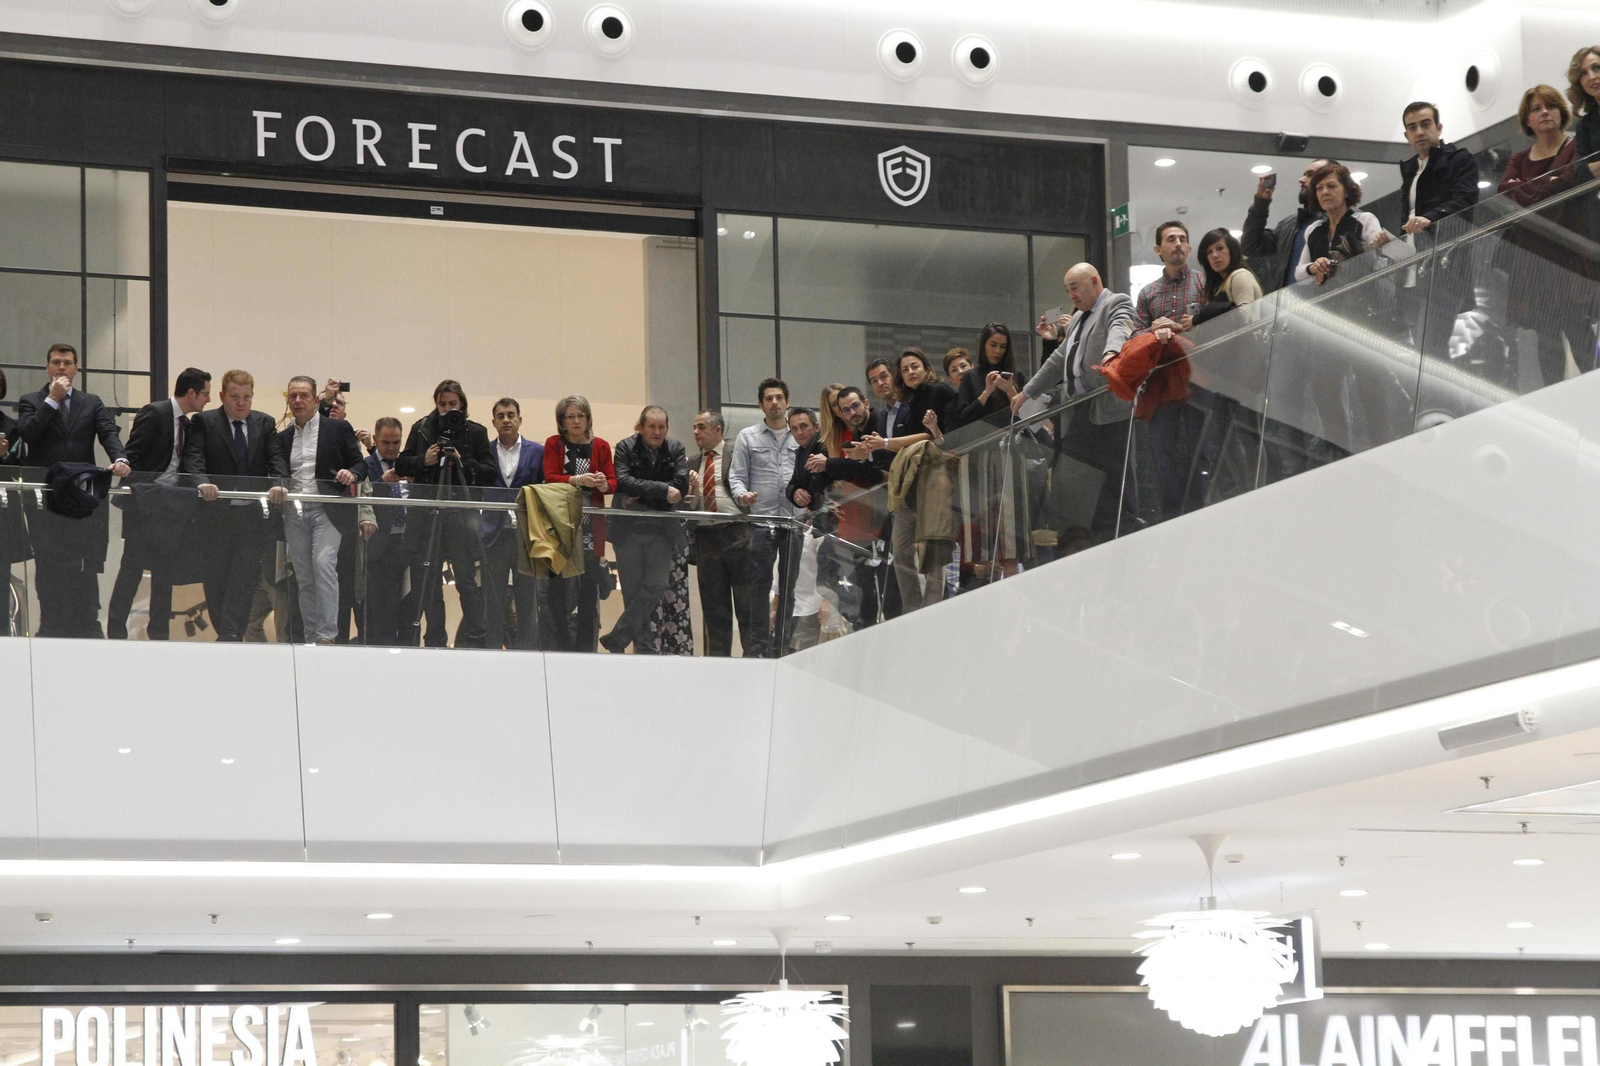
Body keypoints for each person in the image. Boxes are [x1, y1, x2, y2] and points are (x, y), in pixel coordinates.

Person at [14, 343, 132, 638]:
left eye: (67, 363)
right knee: (47, 558)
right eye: (56, 362)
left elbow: (107, 433)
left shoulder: (90, 402)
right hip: (45, 495)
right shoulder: (31, 400)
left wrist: (119, 458)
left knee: (84, 558)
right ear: (47, 368)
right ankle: (51, 621)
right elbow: (28, 433)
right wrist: (52, 401)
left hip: (81, 494)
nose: (62, 367)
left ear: (76, 369)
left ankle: (86, 621)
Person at [1013, 264, 1137, 542]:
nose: (1071, 295)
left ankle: (1119, 532)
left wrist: (1111, 353)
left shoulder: (1115, 302)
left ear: (1094, 282)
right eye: (1067, 290)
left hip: (1106, 408)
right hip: (1076, 413)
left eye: (1075, 287)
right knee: (1074, 478)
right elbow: (1058, 360)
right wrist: (1027, 392)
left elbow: (1121, 328)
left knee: (1114, 476)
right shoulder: (1079, 319)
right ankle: (1081, 537)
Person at [107, 367, 211, 641]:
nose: (207, 401)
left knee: (165, 569)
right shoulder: (156, 412)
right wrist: (138, 493)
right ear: (192, 393)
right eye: (205, 394)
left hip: (171, 506)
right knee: (132, 566)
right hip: (145, 502)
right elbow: (135, 453)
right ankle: (116, 629)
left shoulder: (189, 424)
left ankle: (160, 632)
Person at [186, 369, 289, 641]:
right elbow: (194, 459)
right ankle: (228, 635)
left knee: (243, 582)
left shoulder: (264, 423)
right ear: (222, 396)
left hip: (251, 518)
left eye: (246, 397)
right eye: (235, 397)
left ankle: (230, 636)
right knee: (216, 580)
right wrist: (201, 483)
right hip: (215, 515)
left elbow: (276, 460)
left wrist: (278, 483)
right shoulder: (204, 422)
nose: (241, 403)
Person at [853, 349, 957, 614]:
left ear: (925, 367)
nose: (911, 372)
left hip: (933, 478)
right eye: (907, 369)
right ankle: (913, 607)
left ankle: (932, 607)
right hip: (905, 485)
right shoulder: (903, 405)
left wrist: (886, 443)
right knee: (900, 552)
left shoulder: (936, 393)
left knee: (932, 545)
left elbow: (936, 436)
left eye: (915, 366)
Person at [1499, 84, 1589, 385]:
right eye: (1536, 109)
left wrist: (1532, 189)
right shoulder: (1519, 158)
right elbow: (1506, 190)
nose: (1544, 112)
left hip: (1568, 250)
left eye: (1550, 106)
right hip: (1533, 257)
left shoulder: (1576, 146)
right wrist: (1548, 183)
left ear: (1561, 111)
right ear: (1527, 120)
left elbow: (1568, 181)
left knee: (1577, 327)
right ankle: (1558, 407)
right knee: (1544, 337)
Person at [395, 379, 494, 648]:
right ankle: (435, 637)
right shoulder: (422, 428)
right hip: (428, 514)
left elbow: (489, 472)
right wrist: (423, 461)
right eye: (442, 404)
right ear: (436, 404)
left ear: (462, 404)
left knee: (466, 580)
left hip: (461, 515)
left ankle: (476, 637)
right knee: (428, 582)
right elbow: (402, 462)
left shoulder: (475, 432)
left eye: (453, 404)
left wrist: (464, 461)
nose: (447, 409)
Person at [277, 375, 366, 646]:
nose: (298, 400)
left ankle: (326, 634)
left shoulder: (338, 428)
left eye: (304, 395)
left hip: (328, 510)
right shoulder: (283, 437)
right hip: (295, 511)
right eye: (293, 396)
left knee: (323, 565)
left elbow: (360, 465)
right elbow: (278, 471)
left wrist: (350, 473)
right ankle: (310, 636)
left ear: (316, 400)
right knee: (304, 576)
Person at [601, 405, 688, 655]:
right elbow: (623, 481)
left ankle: (617, 638)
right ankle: (645, 649)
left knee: (656, 585)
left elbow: (680, 485)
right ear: (640, 427)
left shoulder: (676, 448)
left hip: (662, 530)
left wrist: (639, 496)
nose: (657, 431)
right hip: (628, 531)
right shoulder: (625, 447)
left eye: (662, 427)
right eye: (652, 426)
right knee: (631, 592)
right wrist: (662, 491)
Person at [1397, 101, 1481, 354]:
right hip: (1412, 268)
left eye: (1425, 124)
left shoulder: (1459, 160)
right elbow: (1409, 218)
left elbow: (1465, 200)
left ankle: (1434, 395)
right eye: (1412, 127)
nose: (1420, 132)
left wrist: (1430, 218)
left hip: (1444, 265)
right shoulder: (1411, 170)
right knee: (1421, 349)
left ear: (1439, 127)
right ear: (1407, 135)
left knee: (1431, 346)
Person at [728, 377, 798, 657]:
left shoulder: (800, 434)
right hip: (761, 523)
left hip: (794, 521)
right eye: (768, 398)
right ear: (760, 404)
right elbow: (736, 476)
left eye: (779, 397)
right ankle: (757, 646)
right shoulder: (748, 436)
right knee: (759, 585)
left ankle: (781, 643)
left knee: (789, 586)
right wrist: (742, 495)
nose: (774, 402)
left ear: (787, 401)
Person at [542, 394, 616, 653]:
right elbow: (549, 477)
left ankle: (586, 647)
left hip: (590, 527)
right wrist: (577, 480)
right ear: (561, 422)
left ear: (588, 419)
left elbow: (613, 481)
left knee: (589, 589)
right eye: (570, 416)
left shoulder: (602, 446)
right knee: (557, 589)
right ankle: (560, 643)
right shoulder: (554, 444)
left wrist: (604, 484)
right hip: (561, 527)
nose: (576, 421)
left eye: (580, 415)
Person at [480, 397, 546, 651]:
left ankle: (527, 653)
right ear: (494, 422)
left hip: (526, 534)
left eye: (511, 415)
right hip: (493, 532)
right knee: (493, 599)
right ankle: (492, 652)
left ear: (520, 419)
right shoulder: (484, 451)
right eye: (501, 416)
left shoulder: (537, 451)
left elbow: (543, 492)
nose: (506, 420)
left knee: (527, 599)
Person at [688, 409, 752, 657]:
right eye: (694, 427)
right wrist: (691, 491)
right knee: (714, 609)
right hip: (707, 538)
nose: (696, 432)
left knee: (746, 605)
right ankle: (718, 663)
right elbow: (688, 505)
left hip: (739, 533)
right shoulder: (692, 462)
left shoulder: (738, 454)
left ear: (718, 430)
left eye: (701, 427)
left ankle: (754, 661)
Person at [358, 417, 416, 647]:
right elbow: (360, 499)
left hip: (409, 540)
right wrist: (381, 483)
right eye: (385, 443)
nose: (391, 448)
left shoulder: (409, 464)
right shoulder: (366, 466)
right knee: (381, 608)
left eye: (396, 442)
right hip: (381, 542)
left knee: (410, 606)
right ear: (375, 440)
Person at [1241, 158, 1336, 294]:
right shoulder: (1289, 225)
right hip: (1288, 308)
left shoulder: (1347, 220)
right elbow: (1250, 246)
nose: (1301, 179)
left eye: (1310, 174)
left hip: (1326, 306)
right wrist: (1261, 203)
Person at [1296, 164, 1391, 284]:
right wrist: (1313, 267)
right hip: (1325, 298)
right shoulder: (1314, 229)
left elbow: (1382, 265)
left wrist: (1382, 246)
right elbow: (1299, 274)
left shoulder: (1364, 220)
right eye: (1319, 188)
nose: (1325, 192)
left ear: (1347, 192)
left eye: (1331, 186)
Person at [0, 370, 30, 637]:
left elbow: (20, 471)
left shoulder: (11, 427)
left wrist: (4, 456)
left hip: (1, 517)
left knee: (1, 579)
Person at [950, 324, 1020, 431]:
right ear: (984, 345)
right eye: (993, 345)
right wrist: (986, 393)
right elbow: (962, 418)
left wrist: (1010, 390)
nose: (997, 351)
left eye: (1002, 347)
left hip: (1014, 439)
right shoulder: (970, 377)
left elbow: (1027, 414)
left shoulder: (1016, 375)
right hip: (980, 441)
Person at [1197, 229, 1264, 315]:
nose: (1214, 255)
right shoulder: (1218, 286)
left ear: (1231, 251)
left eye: (1220, 248)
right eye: (1209, 252)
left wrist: (1202, 316)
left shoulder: (1240, 275)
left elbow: (1243, 316)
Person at [817, 383, 849, 461]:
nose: (840, 406)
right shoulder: (834, 435)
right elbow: (836, 468)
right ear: (831, 411)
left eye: (841, 400)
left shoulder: (862, 425)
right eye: (834, 404)